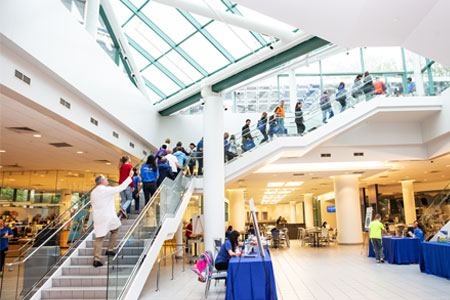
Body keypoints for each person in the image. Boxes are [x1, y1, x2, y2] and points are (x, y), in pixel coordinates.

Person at [90, 170, 133, 267]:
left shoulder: (93, 192)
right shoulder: (106, 190)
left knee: (99, 237)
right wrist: (129, 177)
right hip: (108, 216)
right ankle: (110, 249)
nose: (106, 180)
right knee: (116, 229)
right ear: (101, 181)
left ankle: (96, 259)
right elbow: (121, 187)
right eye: (105, 179)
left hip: (98, 217)